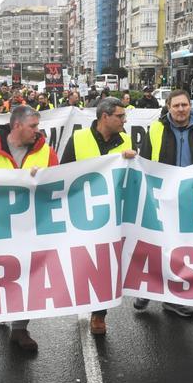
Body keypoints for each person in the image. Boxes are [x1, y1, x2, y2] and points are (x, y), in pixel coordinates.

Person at [0, 105, 60, 351]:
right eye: (33, 126)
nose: (37, 131)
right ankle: (3, 308)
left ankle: (20, 329)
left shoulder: (47, 152)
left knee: (27, 275)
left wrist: (42, 179)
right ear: (17, 125)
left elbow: (57, 187)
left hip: (31, 226)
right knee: (2, 274)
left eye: (38, 126)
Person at [135, 90, 193, 318]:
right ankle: (148, 289)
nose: (181, 109)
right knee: (158, 245)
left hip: (190, 198)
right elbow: (145, 160)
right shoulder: (156, 129)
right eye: (176, 105)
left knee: (182, 248)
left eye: (185, 105)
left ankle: (173, 299)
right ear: (168, 107)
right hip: (162, 197)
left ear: (190, 106)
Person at [60, 97, 137, 335]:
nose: (125, 120)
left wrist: (132, 160)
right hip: (82, 212)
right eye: (120, 116)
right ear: (105, 117)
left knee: (106, 263)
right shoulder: (79, 139)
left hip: (111, 213)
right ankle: (83, 298)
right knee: (83, 261)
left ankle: (99, 314)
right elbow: (63, 172)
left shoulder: (125, 139)